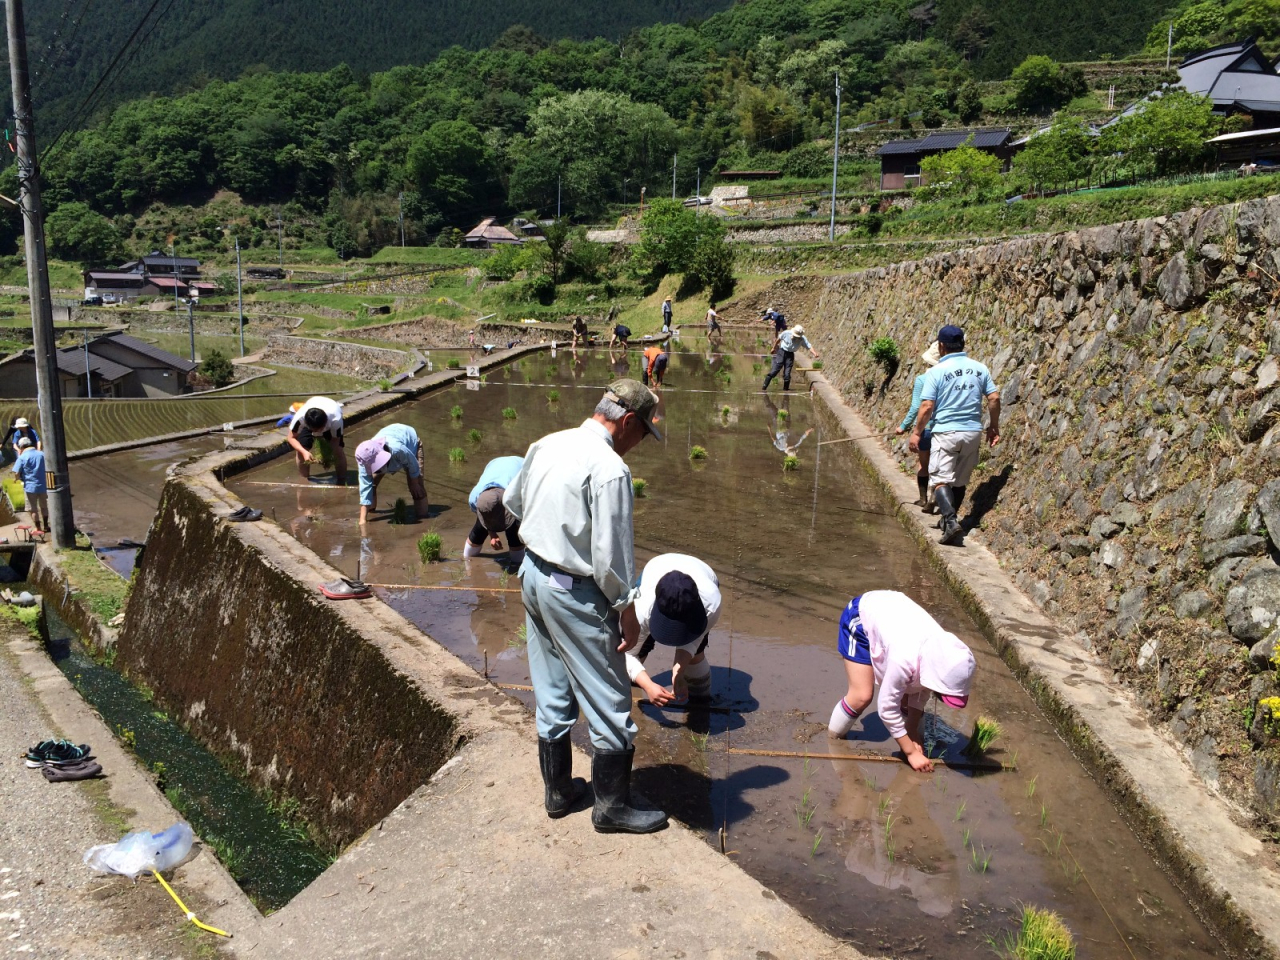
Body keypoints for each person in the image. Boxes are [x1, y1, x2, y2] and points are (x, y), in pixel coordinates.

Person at [503, 378, 666, 834]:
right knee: (609, 696)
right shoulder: (609, 468)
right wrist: (626, 611)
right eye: (642, 435)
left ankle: (558, 792)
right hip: (574, 590)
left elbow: (514, 503)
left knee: (553, 685)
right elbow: (612, 557)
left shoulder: (548, 443)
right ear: (628, 422)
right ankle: (611, 807)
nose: (639, 445)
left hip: (534, 575)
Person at [827, 590, 976, 773]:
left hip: (897, 619)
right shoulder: (903, 660)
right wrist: (911, 751)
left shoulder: (945, 653)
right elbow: (886, 709)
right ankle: (833, 739)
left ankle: (909, 731)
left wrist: (912, 729)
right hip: (862, 617)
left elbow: (923, 692)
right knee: (861, 696)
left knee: (910, 696)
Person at [909, 325, 1000, 546]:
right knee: (959, 482)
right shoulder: (980, 368)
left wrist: (916, 432)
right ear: (963, 344)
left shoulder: (936, 371)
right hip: (972, 432)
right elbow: (994, 398)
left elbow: (927, 406)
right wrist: (993, 426)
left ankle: (950, 522)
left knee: (940, 480)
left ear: (941, 346)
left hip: (946, 432)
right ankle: (949, 521)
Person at [625, 554, 721, 708]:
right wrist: (648, 685)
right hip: (656, 567)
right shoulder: (641, 607)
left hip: (702, 573)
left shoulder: (711, 603)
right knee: (636, 650)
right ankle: (629, 702)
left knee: (695, 655)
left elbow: (694, 640)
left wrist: (679, 672)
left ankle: (701, 705)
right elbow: (625, 654)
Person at [895, 341, 941, 511]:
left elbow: (917, 407)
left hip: (926, 429)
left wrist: (903, 426)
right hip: (943, 430)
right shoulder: (947, 378)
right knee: (940, 468)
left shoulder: (922, 379)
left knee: (924, 465)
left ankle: (923, 499)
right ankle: (934, 499)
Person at [355, 424, 428, 525]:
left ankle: (424, 519)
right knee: (371, 485)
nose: (378, 469)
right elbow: (365, 488)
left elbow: (413, 464)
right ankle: (371, 512)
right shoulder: (365, 460)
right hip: (393, 437)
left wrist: (415, 483)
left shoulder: (398, 449)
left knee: (417, 488)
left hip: (411, 443)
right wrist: (362, 520)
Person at [463, 455, 525, 560]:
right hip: (495, 465)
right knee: (480, 528)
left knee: (514, 531)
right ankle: (467, 562)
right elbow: (487, 518)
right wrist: (492, 534)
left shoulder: (516, 496)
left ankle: (517, 563)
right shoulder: (474, 499)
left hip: (521, 465)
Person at [286, 396, 347, 485]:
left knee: (338, 451)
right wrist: (304, 452)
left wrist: (328, 455)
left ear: (325, 423)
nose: (317, 433)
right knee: (302, 449)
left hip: (331, 411)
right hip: (312, 415)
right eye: (314, 430)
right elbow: (291, 437)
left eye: (319, 429)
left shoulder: (335, 420)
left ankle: (341, 480)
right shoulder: (300, 418)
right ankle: (304, 479)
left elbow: (335, 441)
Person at [762, 324, 820, 392]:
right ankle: (764, 387)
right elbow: (779, 339)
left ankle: (785, 390)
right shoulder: (786, 333)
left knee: (787, 373)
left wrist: (814, 353)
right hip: (782, 352)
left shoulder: (802, 338)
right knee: (774, 370)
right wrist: (773, 348)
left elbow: (809, 346)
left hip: (790, 355)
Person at [11, 437, 48, 532]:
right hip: (43, 485)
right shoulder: (42, 454)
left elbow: (16, 472)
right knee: (44, 506)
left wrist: (16, 479)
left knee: (33, 509)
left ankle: (38, 528)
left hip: (30, 487)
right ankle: (46, 526)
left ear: (22, 446)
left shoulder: (22, 457)